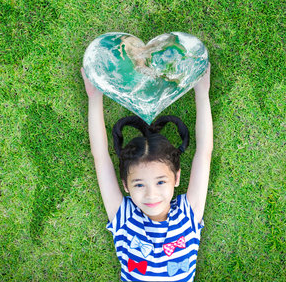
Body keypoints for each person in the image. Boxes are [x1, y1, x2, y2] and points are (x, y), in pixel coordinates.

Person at [81, 64, 212, 281]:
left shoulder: (189, 215)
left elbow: (204, 154)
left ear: (176, 178)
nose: (151, 195)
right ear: (125, 185)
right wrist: (94, 98)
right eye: (139, 184)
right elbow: (101, 159)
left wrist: (202, 92)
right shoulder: (124, 218)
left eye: (161, 182)